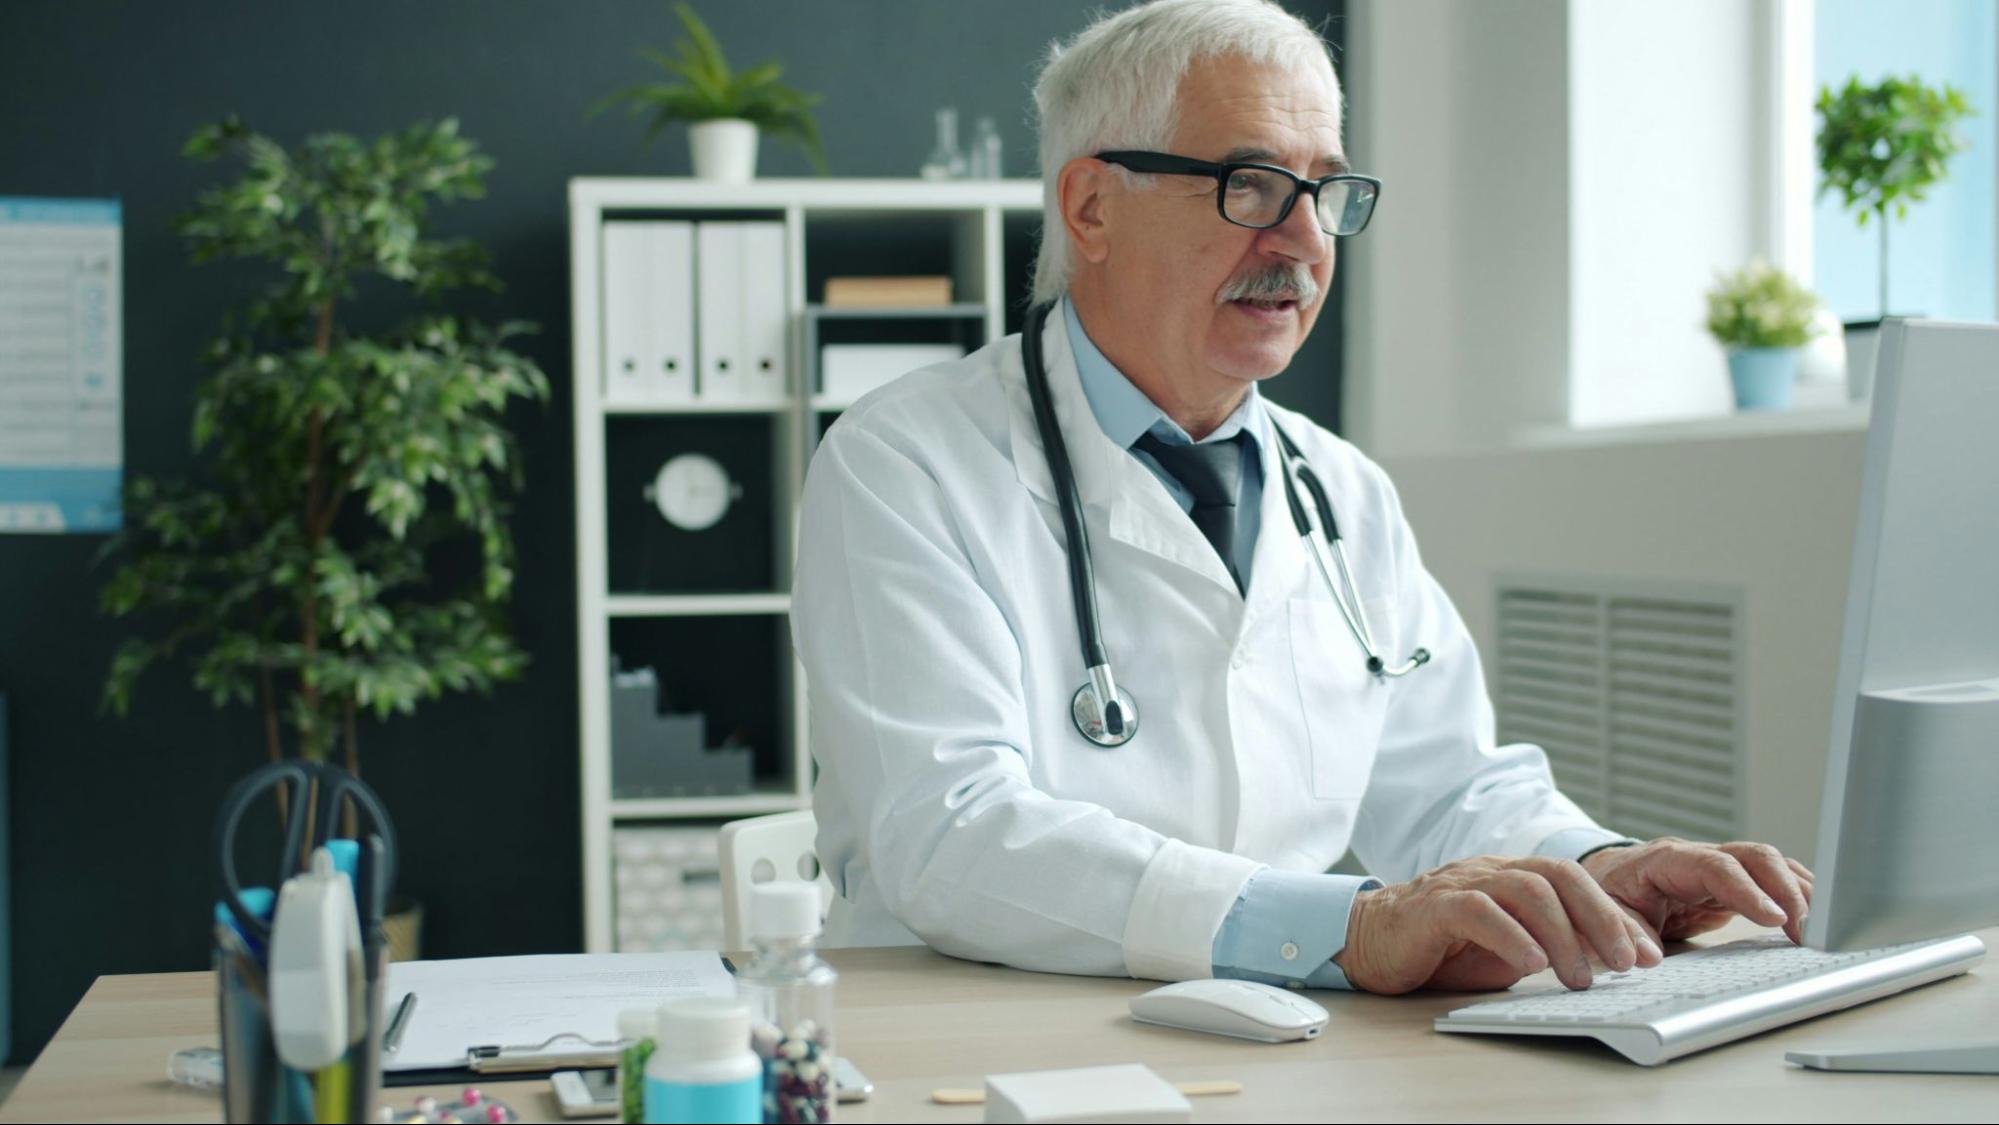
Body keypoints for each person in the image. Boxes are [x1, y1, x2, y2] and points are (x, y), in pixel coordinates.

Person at [790, 0, 1813, 996]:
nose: (1302, 240)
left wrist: (1595, 868)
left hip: (1284, 1033)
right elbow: (948, 831)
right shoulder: (904, 462)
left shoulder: (1341, 490)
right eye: (1250, 184)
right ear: (1091, 207)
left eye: (1323, 191)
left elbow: (1448, 786)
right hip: (979, 1032)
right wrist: (1348, 927)